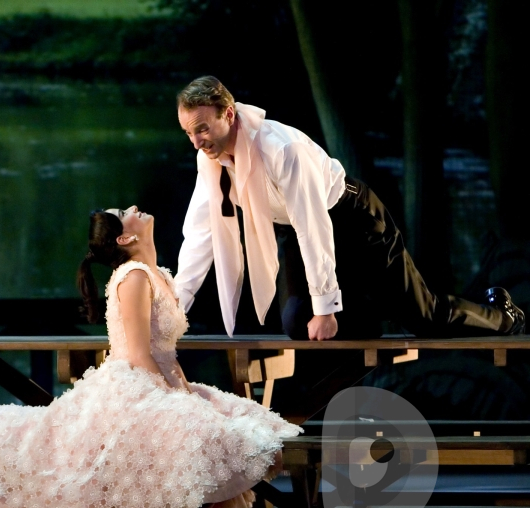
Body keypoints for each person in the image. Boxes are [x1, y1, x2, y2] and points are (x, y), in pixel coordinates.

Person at [0, 206, 302, 508]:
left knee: (244, 424)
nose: (134, 208)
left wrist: (184, 390)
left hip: (159, 375)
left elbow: (165, 352)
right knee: (191, 429)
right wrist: (172, 396)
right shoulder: (133, 277)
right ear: (125, 238)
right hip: (133, 380)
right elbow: (137, 351)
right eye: (125, 212)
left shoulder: (157, 274)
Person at [174, 76, 525, 340]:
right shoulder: (213, 162)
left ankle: (501, 314)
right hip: (299, 232)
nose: (196, 141)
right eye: (189, 133)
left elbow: (315, 225)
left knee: (423, 317)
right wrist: (178, 305)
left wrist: (326, 308)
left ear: (229, 114)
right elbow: (201, 234)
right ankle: (366, 310)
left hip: (352, 219)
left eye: (202, 129)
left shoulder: (282, 149)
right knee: (298, 323)